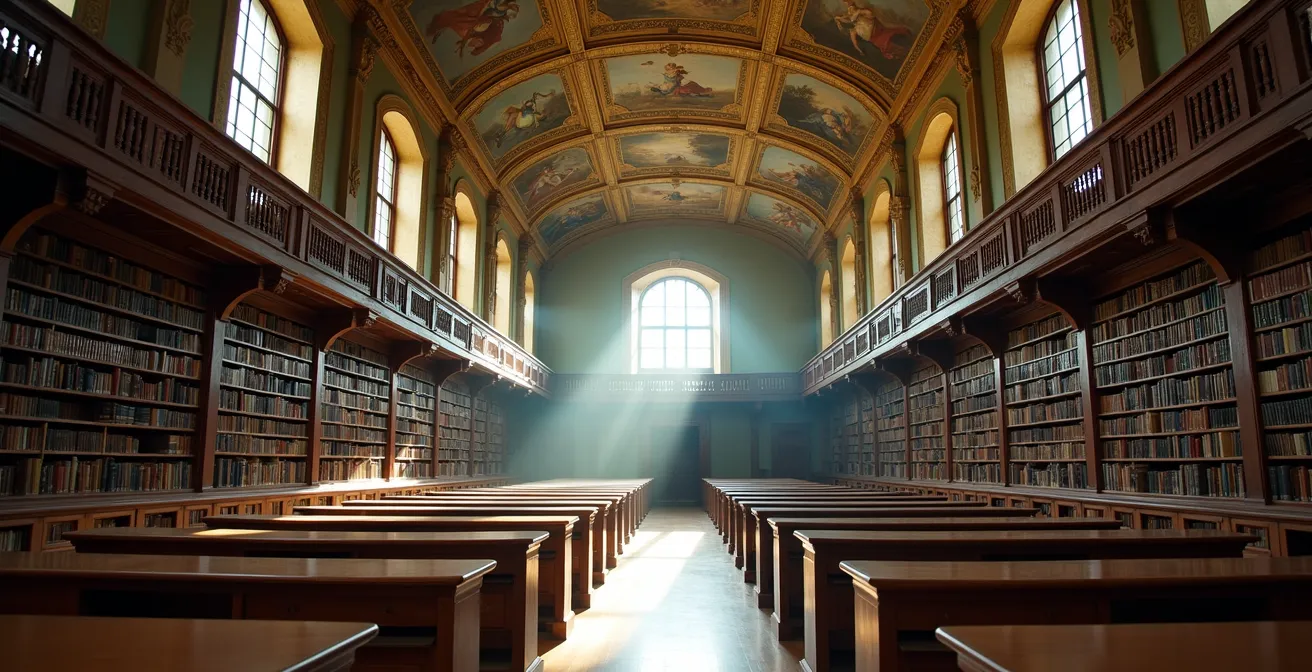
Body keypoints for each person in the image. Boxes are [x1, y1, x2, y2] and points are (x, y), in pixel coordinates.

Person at [426, 0, 521, 58]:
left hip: (481, 19)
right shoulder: (492, 34)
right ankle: (442, 23)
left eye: (474, 44)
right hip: (482, 16)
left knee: (456, 20)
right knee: (456, 18)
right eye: (476, 44)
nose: (476, 43)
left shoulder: (468, 32)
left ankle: (442, 24)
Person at [833, 0, 913, 60]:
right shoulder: (854, 30)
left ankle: (908, 49)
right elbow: (855, 43)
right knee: (890, 46)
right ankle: (907, 52)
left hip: (878, 31)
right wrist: (860, 51)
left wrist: (857, 12)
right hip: (876, 38)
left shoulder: (862, 17)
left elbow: (867, 14)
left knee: (892, 40)